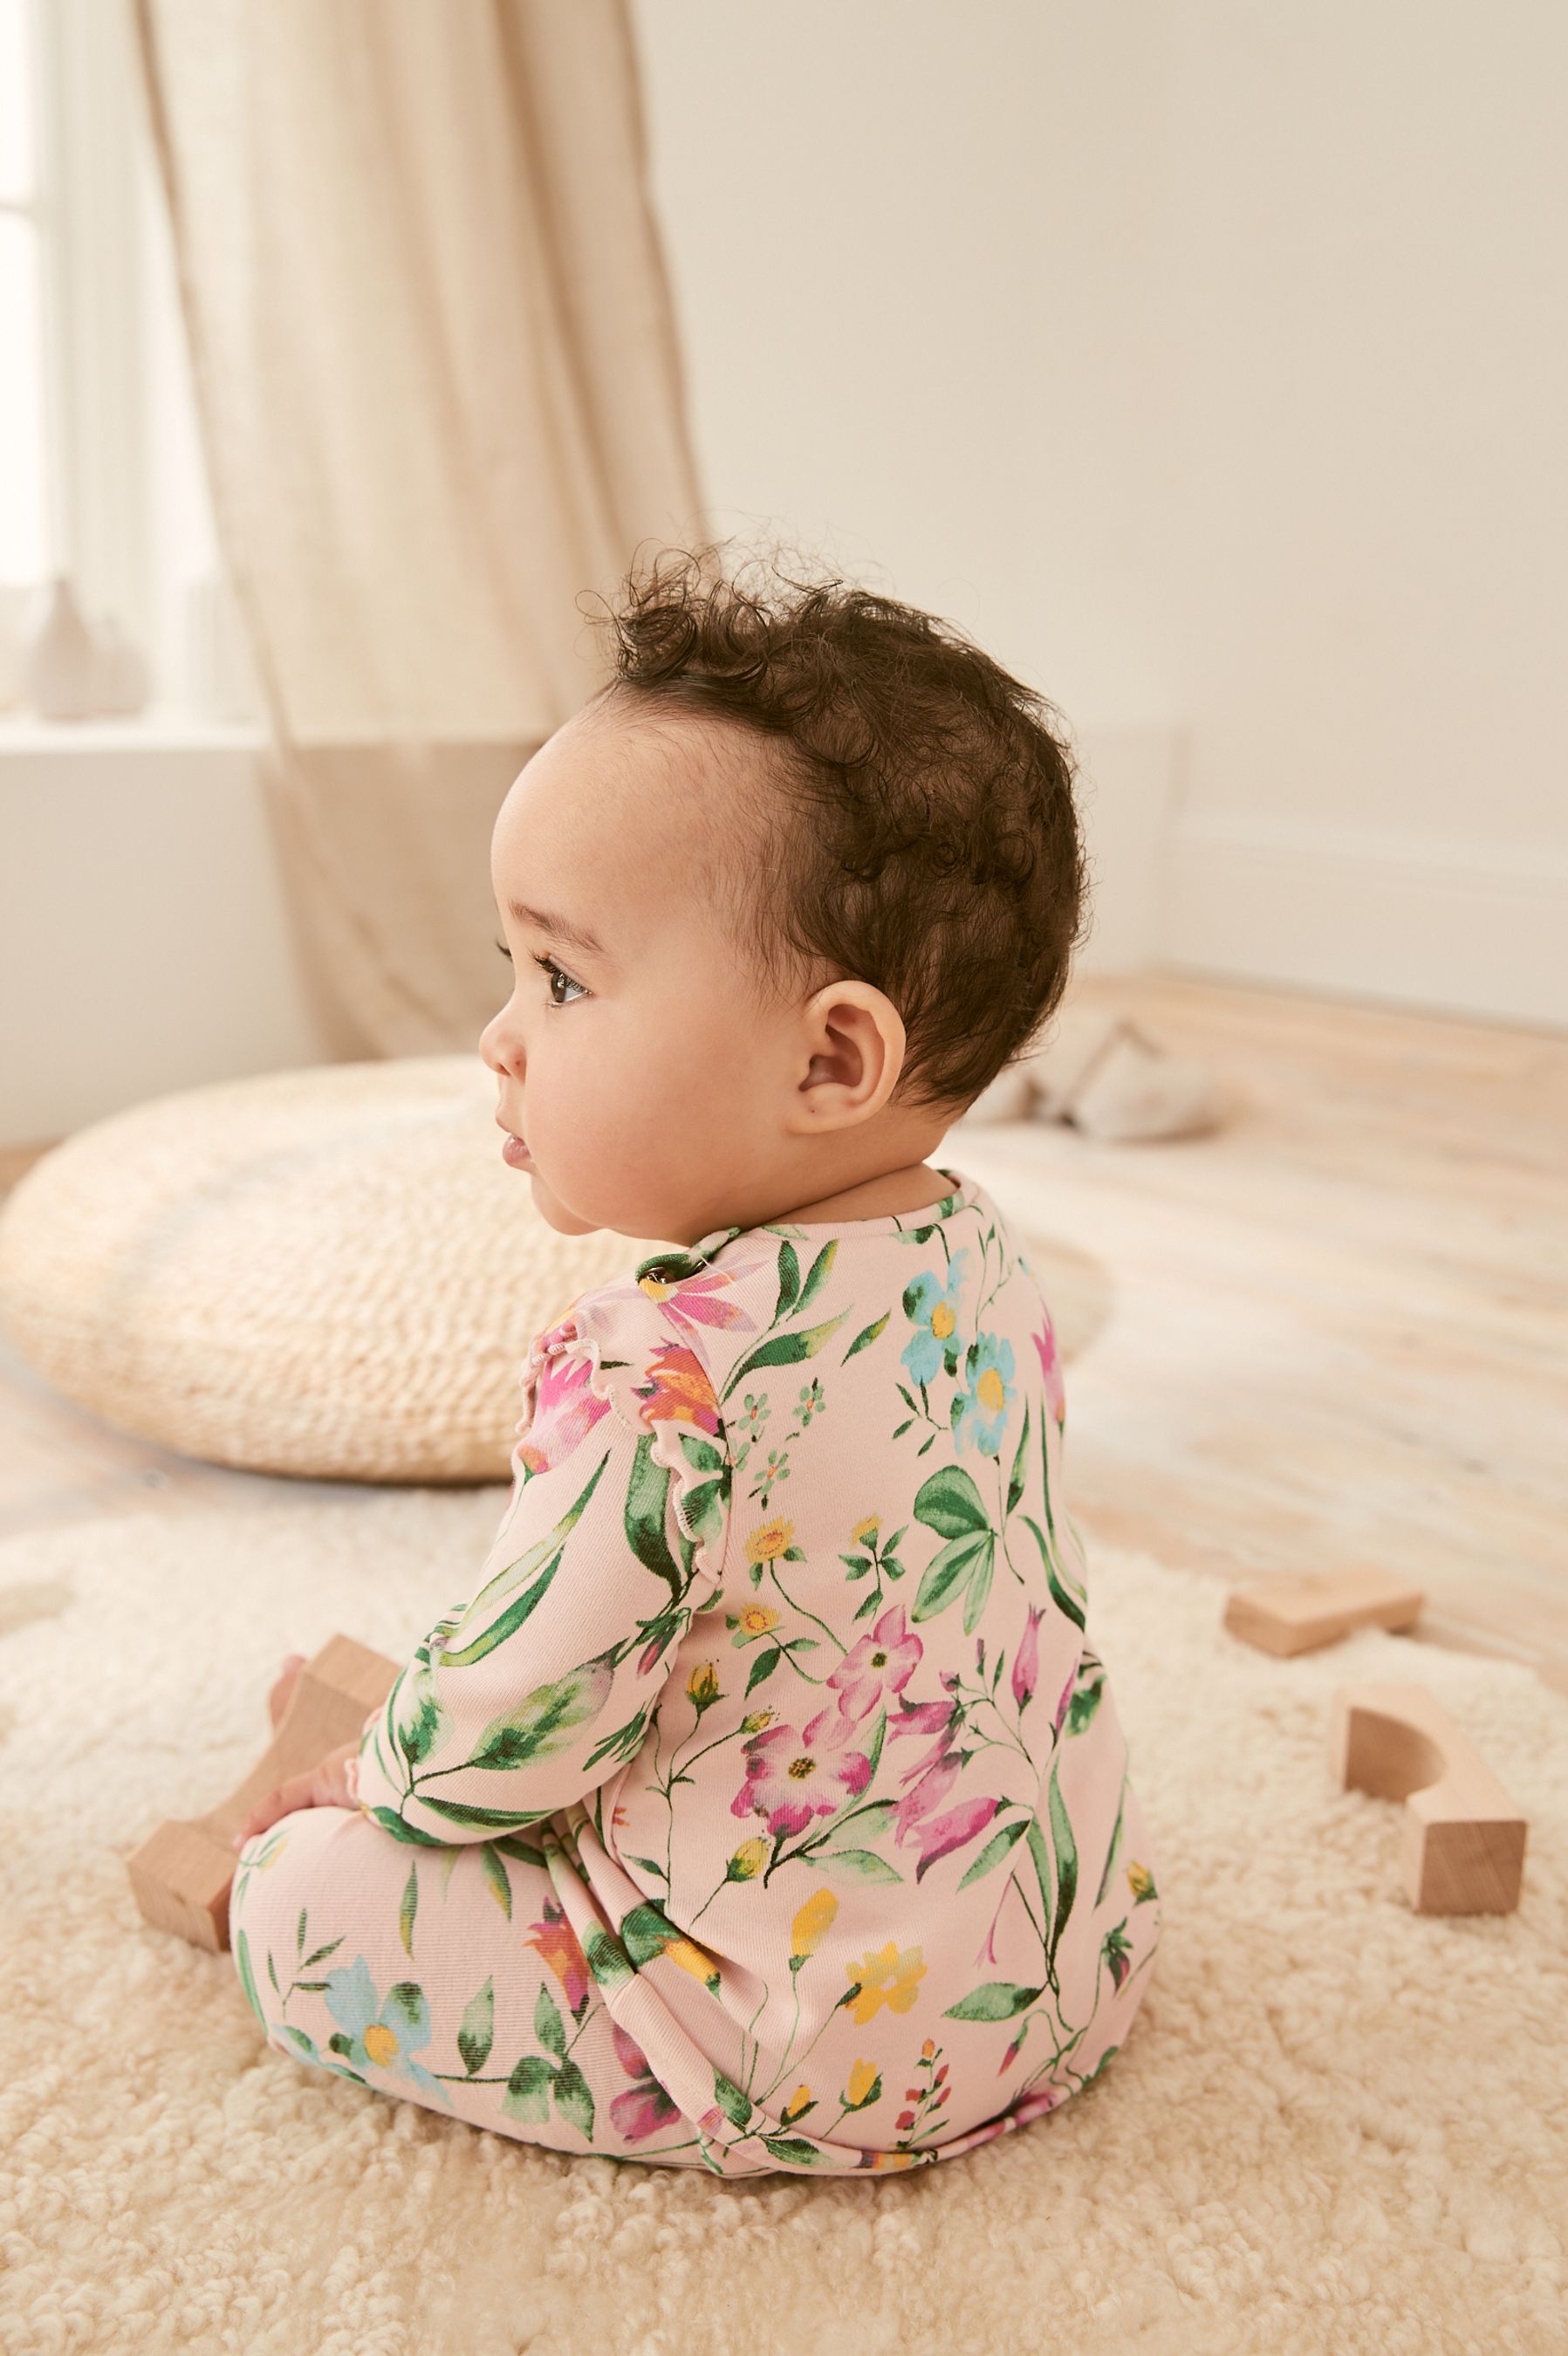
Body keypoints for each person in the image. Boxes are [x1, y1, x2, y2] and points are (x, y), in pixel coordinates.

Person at [228, 541, 1163, 2176]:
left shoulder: (660, 1368)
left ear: (831, 1056)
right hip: (1057, 1959)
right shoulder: (987, 1264)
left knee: (298, 1900)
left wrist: (365, 1779)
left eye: (564, 976)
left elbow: (518, 1724)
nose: (498, 1033)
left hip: (782, 2046)